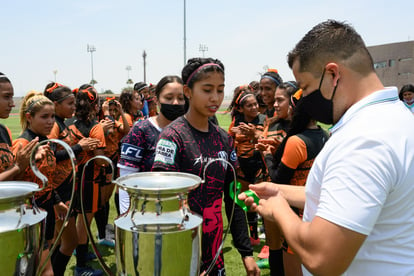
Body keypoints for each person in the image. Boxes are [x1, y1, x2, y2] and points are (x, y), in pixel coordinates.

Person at [240, 19, 414, 275]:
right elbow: (344, 196)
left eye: (306, 88)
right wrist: (278, 190)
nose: (303, 101)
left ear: (332, 74)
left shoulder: (363, 140)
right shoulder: (396, 118)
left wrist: (278, 208)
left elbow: (322, 258)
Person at [152, 58, 260, 276]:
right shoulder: (172, 137)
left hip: (214, 252)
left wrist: (246, 253)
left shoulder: (224, 139)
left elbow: (233, 198)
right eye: (207, 89)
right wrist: (185, 257)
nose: (215, 98)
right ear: (188, 92)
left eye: (220, 90)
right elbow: (163, 201)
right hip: (180, 252)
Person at [263, 85, 329, 276]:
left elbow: (277, 180)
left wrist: (267, 156)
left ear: (296, 109)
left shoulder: (296, 141)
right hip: (317, 209)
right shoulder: (325, 135)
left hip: (295, 213)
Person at [43, 82, 101, 276]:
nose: (74, 107)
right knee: (65, 242)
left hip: (66, 188)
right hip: (58, 191)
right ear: (56, 104)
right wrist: (79, 147)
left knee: (63, 241)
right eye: (69, 103)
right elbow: (51, 157)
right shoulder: (55, 126)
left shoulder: (61, 123)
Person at [117, 75, 186, 214]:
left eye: (181, 98)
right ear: (157, 99)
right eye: (169, 97)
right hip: (147, 214)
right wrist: (126, 216)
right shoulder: (141, 130)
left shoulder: (190, 131)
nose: (175, 103)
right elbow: (126, 181)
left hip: (182, 214)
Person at [12, 91, 57, 276]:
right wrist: (31, 161)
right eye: (44, 117)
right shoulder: (22, 144)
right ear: (29, 117)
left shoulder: (45, 141)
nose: (51, 121)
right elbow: (11, 184)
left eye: (53, 116)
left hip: (47, 210)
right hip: (29, 214)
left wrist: (57, 201)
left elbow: (47, 177)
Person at [66, 85, 106, 276]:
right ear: (95, 105)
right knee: (84, 223)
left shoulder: (67, 124)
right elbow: (100, 159)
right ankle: (81, 267)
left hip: (69, 178)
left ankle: (81, 252)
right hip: (89, 179)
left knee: (74, 220)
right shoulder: (96, 127)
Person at [228, 90, 266, 247]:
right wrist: (235, 166)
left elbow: (267, 138)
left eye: (255, 104)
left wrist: (255, 133)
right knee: (249, 203)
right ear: (241, 109)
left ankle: (269, 242)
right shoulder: (236, 121)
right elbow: (230, 143)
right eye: (249, 105)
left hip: (260, 167)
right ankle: (254, 237)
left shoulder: (264, 119)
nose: (254, 107)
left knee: (263, 204)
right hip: (242, 168)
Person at [0, 73, 39, 181]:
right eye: (6, 97)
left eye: (12, 97)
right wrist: (16, 167)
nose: (12, 104)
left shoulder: (4, 131)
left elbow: (14, 180)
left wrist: (25, 163)